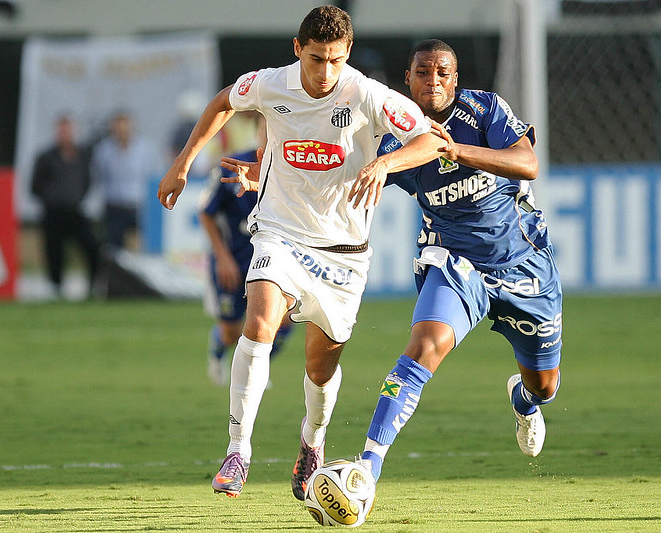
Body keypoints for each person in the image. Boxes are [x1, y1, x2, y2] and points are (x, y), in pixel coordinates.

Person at [157, 5, 445, 500]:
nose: (324, 72)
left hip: (343, 252)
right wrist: (184, 164)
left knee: (320, 366)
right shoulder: (271, 84)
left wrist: (386, 163)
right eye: (315, 59)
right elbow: (223, 102)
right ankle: (238, 451)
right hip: (279, 233)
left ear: (347, 54)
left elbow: (431, 141)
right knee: (261, 320)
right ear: (298, 49)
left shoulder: (368, 94)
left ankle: (313, 440)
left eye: (334, 60)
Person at [356, 39, 564, 484]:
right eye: (423, 72)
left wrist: (458, 151)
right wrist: (266, 176)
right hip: (454, 261)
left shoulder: (484, 110)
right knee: (424, 346)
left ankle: (524, 403)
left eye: (442, 72)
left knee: (545, 385)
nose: (433, 80)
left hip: (523, 261)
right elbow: (343, 176)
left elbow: (527, 164)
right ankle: (367, 469)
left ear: (455, 78)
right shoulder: (395, 138)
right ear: (407, 79)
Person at [199, 115, 293, 387]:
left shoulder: (291, 170)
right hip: (234, 261)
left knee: (283, 321)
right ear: (258, 131)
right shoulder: (232, 165)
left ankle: (255, 371)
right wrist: (222, 257)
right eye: (267, 129)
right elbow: (206, 212)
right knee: (231, 332)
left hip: (270, 263)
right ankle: (218, 353)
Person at [30, 115, 101, 298]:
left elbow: (87, 180)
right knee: (54, 251)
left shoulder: (81, 155)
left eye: (68, 131)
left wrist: (76, 197)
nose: (65, 135)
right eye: (62, 131)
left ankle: (93, 285)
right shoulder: (46, 157)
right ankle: (55, 287)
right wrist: (52, 198)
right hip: (53, 212)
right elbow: (35, 186)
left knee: (91, 246)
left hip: (74, 211)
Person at [92, 111, 159, 250]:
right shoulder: (104, 149)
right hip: (114, 204)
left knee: (144, 244)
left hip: (138, 204)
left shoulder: (144, 148)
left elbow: (153, 174)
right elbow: (98, 175)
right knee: (113, 247)